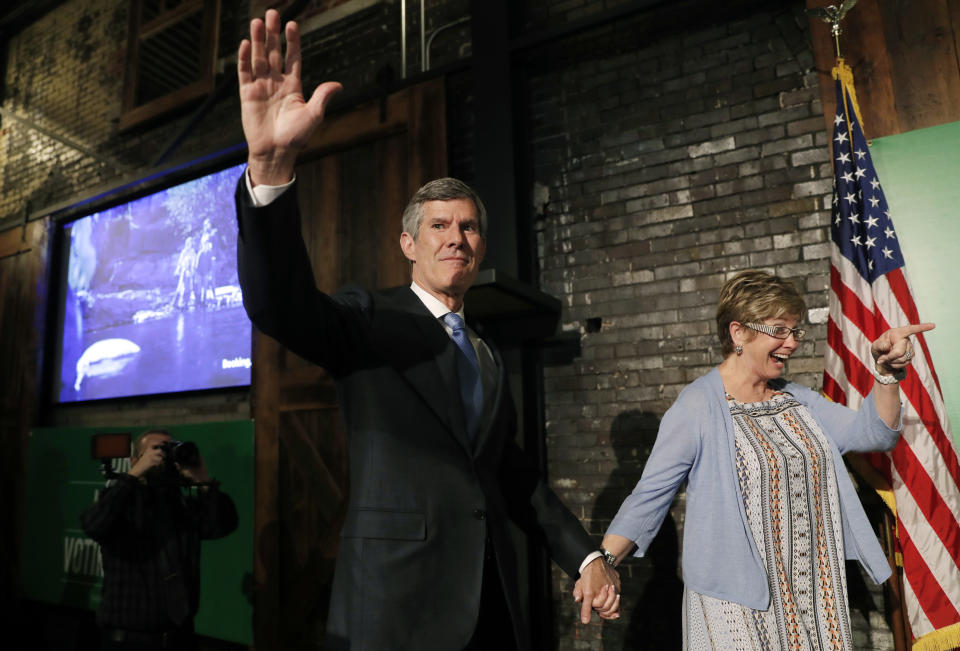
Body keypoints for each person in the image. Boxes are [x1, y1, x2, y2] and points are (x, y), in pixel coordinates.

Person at [234, 9, 619, 649]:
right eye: (439, 226)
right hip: (394, 608)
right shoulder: (369, 319)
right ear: (409, 243)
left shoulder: (488, 356)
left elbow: (512, 474)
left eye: (467, 227)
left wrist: (585, 556)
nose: (456, 238)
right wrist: (271, 173)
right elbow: (280, 306)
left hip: (489, 603)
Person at [599, 269, 933, 649]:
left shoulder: (798, 399)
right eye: (779, 330)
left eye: (795, 332)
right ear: (738, 332)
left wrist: (887, 374)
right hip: (738, 600)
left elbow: (874, 434)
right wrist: (603, 562)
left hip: (813, 592)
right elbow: (649, 497)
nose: (791, 343)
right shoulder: (697, 406)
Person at [80, 429, 238, 650]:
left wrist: (202, 479)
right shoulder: (123, 502)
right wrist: (132, 476)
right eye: (156, 451)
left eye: (169, 450)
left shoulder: (181, 504)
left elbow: (222, 526)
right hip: (129, 641)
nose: (164, 458)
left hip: (180, 637)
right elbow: (94, 524)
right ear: (136, 460)